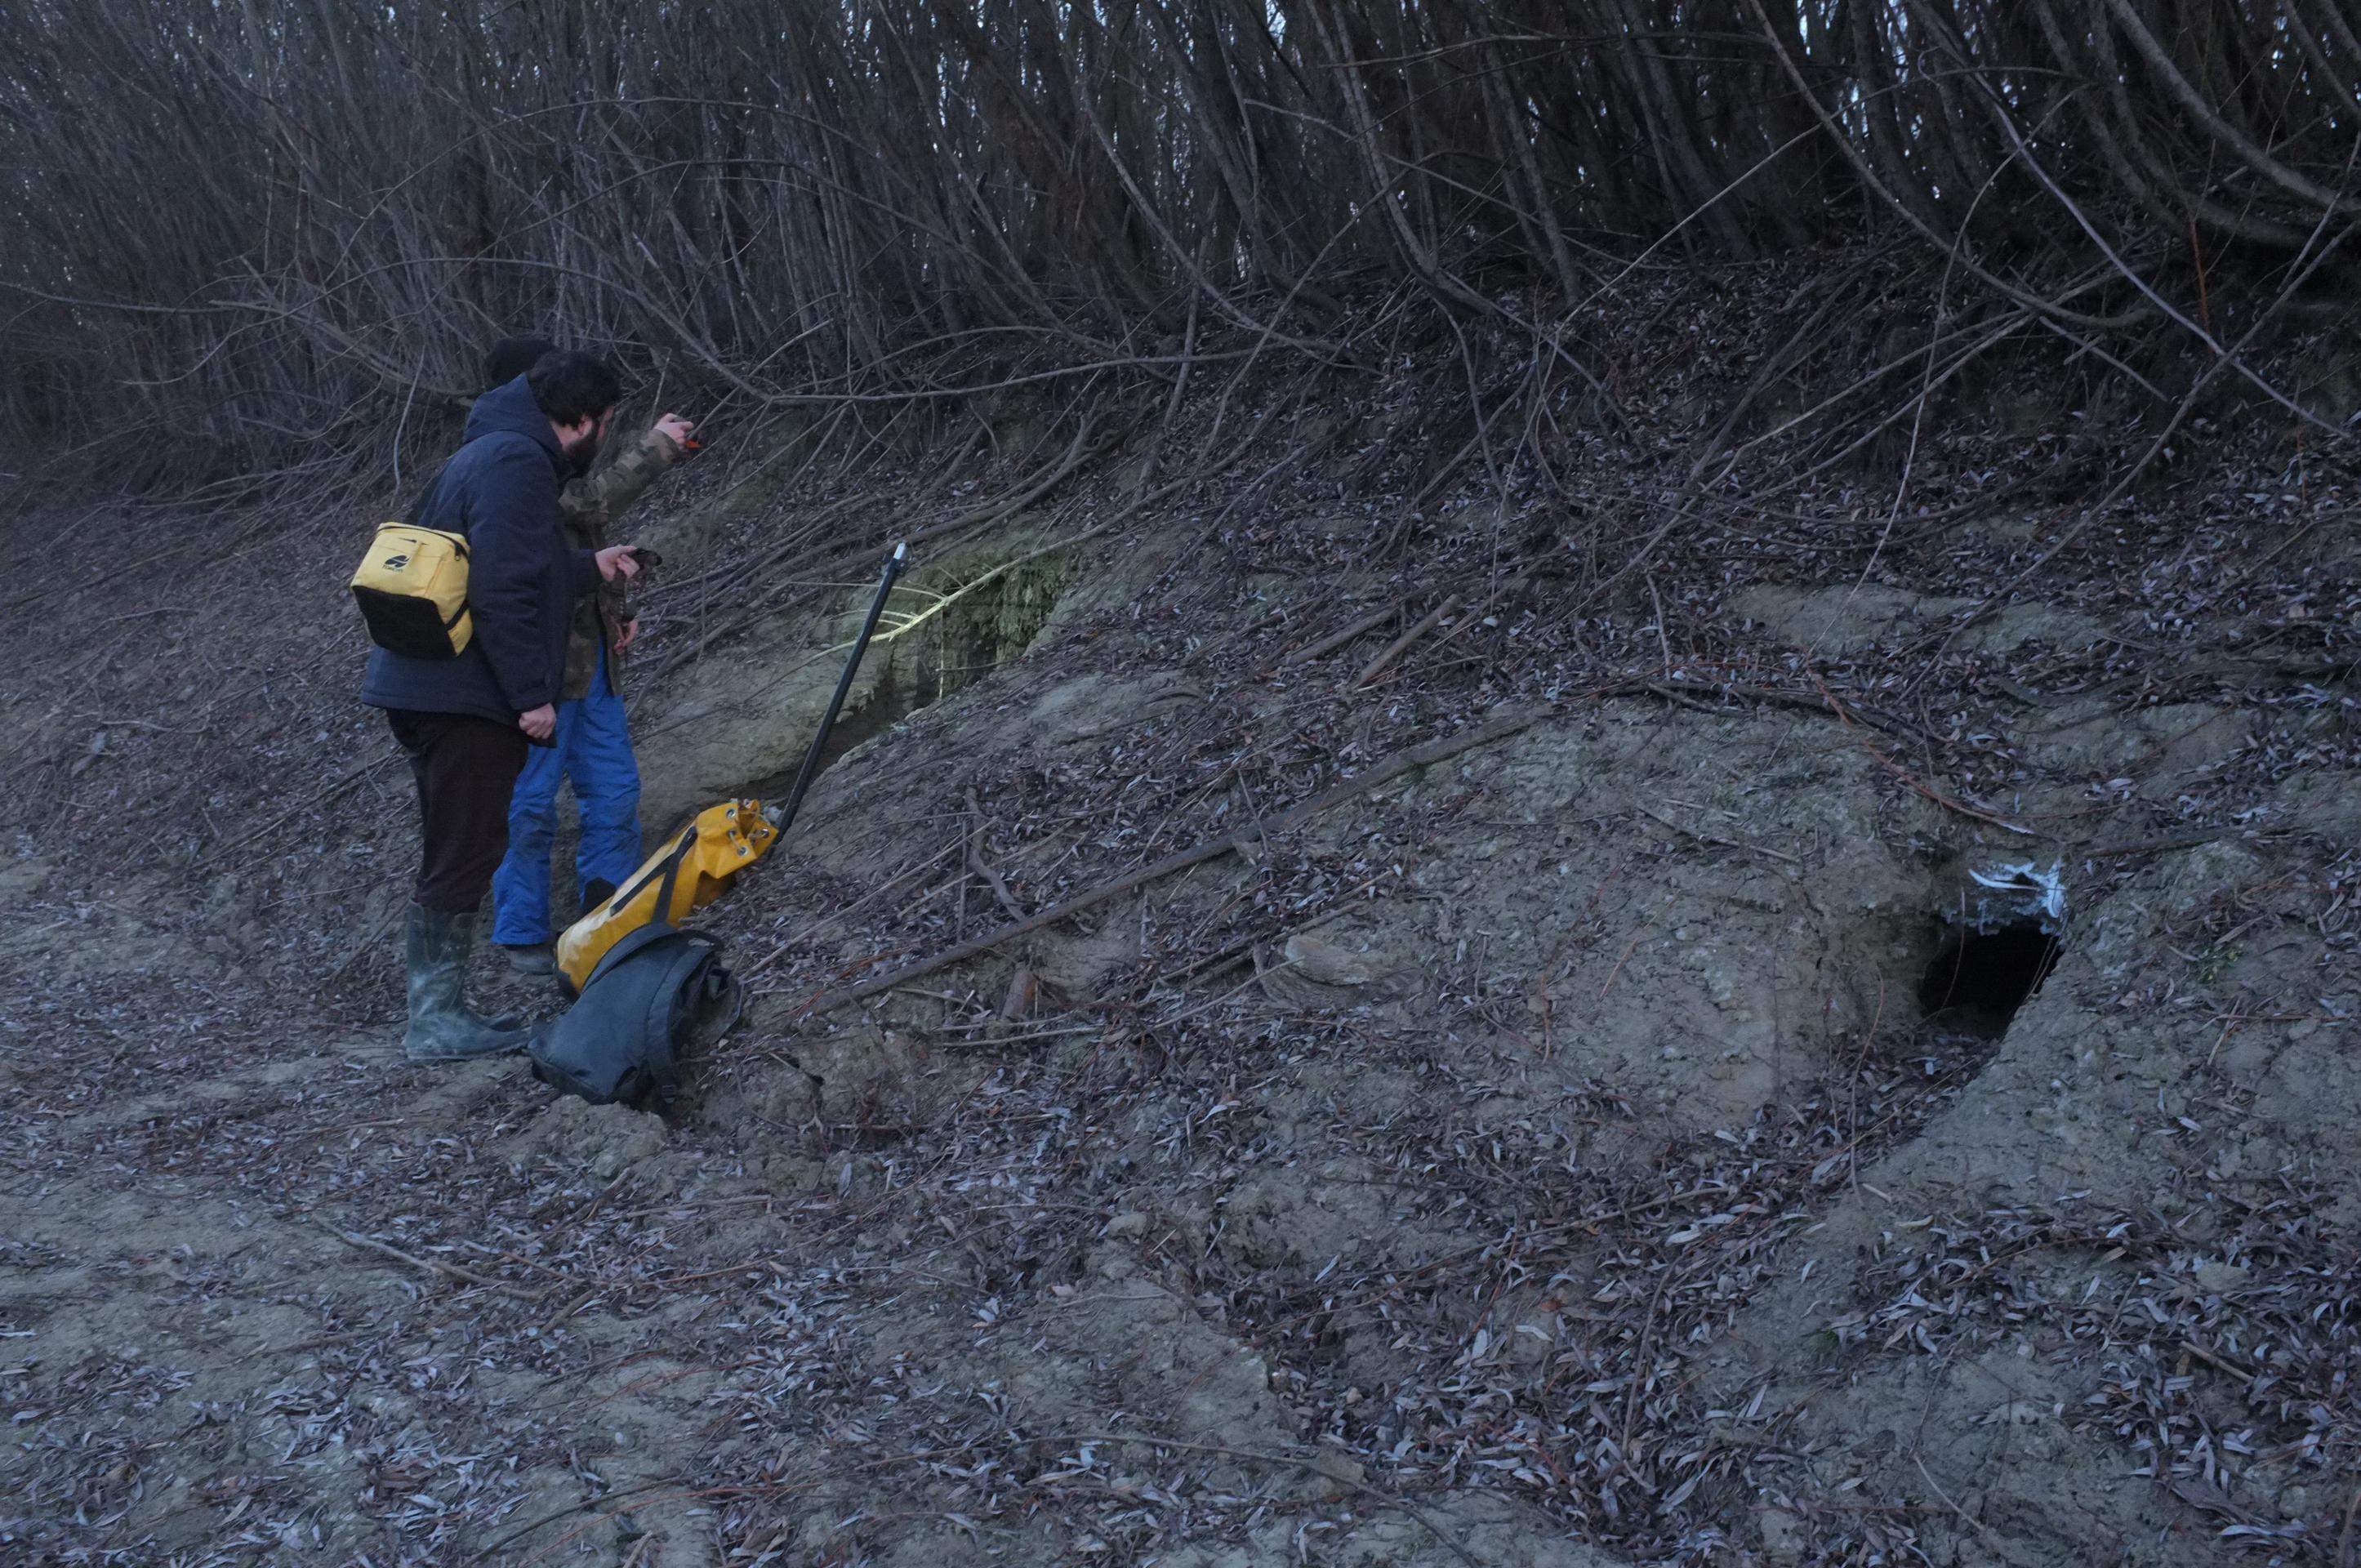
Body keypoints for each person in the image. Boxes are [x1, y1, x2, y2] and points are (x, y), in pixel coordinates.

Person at [361, 350, 648, 1061]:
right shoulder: (520, 464)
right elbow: (500, 593)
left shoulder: (487, 451)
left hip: (421, 682)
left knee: (456, 845)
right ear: (580, 420)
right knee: (465, 849)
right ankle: (434, 1022)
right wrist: (531, 699)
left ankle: (440, 1013)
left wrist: (587, 567)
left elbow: (496, 563)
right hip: (463, 694)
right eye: (606, 423)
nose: (605, 436)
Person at [473, 338, 696, 974]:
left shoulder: (549, 455)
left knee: (615, 792)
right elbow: (587, 506)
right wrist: (655, 449)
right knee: (530, 802)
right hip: (536, 666)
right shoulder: (504, 459)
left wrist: (616, 610)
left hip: (590, 655)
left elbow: (585, 538)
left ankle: (611, 920)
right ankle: (520, 935)